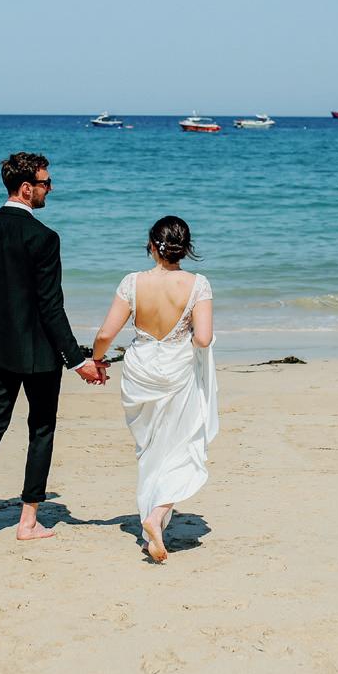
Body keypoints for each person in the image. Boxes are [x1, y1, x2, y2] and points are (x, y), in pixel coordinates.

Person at [0, 152, 108, 554]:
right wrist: (78, 361)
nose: (49, 188)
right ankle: (28, 521)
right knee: (41, 430)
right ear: (26, 188)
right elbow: (51, 306)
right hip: (38, 352)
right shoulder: (44, 238)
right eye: (45, 182)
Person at [92, 216, 218, 562]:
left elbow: (106, 334)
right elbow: (203, 338)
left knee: (150, 449)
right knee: (181, 446)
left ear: (152, 246)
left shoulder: (132, 283)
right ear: (186, 248)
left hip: (141, 371)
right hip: (178, 370)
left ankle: (153, 520)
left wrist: (96, 360)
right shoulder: (198, 284)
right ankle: (156, 513)